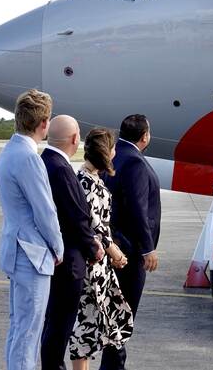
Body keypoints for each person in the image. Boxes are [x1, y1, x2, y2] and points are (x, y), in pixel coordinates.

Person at [0, 89, 63, 370]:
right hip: (32, 254)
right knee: (29, 332)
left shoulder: (9, 151)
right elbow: (45, 211)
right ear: (44, 123)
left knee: (19, 328)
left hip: (15, 249)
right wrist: (58, 247)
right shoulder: (29, 158)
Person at [40, 115, 104, 370]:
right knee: (60, 325)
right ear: (75, 139)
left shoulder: (44, 162)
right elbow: (76, 218)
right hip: (69, 262)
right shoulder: (61, 170)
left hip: (53, 257)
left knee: (53, 323)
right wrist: (93, 247)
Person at [99, 114, 161, 370]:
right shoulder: (135, 161)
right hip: (130, 250)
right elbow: (137, 209)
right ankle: (114, 367)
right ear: (145, 136)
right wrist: (148, 248)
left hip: (115, 245)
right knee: (123, 314)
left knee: (116, 311)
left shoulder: (115, 155)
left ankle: (111, 365)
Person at [69, 128, 134, 370]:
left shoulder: (88, 178)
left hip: (98, 263)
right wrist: (113, 251)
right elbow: (94, 226)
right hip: (92, 266)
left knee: (98, 321)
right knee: (86, 323)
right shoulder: (88, 182)